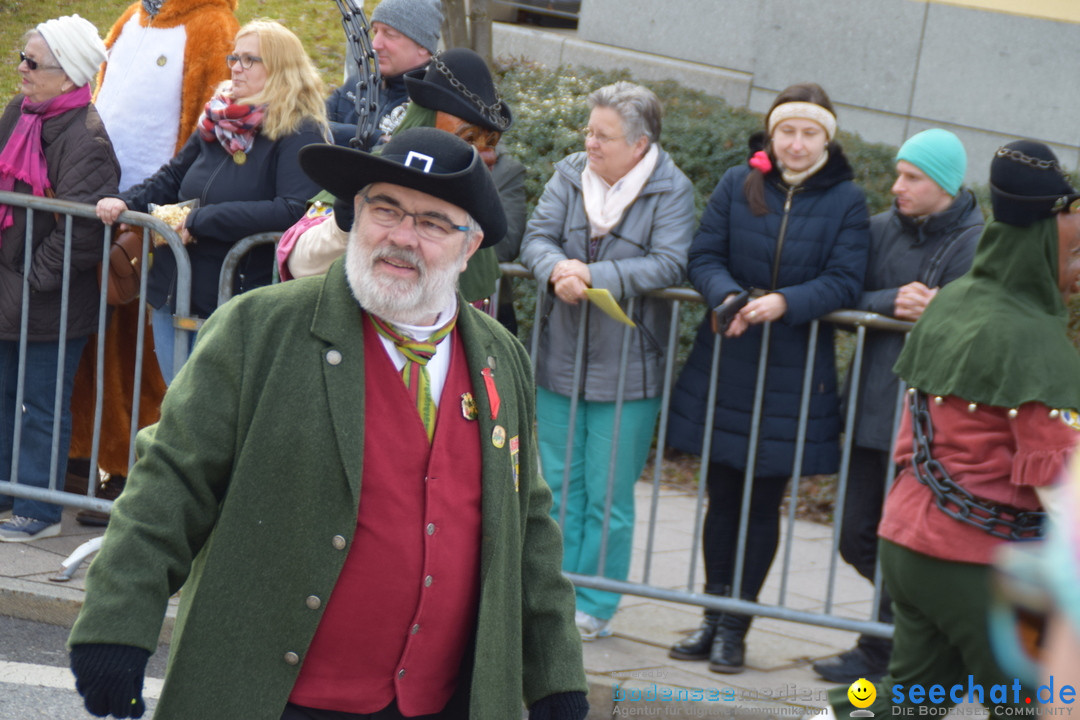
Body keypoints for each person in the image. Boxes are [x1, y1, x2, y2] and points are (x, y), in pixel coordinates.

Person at [68, 127, 589, 720]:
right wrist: (116, 625)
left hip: (443, 701)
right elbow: (168, 484)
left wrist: (555, 677)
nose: (402, 237)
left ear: (469, 247)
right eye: (385, 209)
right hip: (275, 698)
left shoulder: (501, 358)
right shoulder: (257, 330)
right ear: (355, 217)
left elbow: (529, 525)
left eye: (433, 223)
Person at [825, 139, 1080, 718]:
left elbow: (910, 434)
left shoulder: (952, 303)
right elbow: (1063, 492)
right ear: (1046, 247)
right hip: (977, 563)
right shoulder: (1037, 347)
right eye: (1074, 257)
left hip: (907, 543)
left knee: (903, 701)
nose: (1079, 273)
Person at [665, 82, 870, 673]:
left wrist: (786, 301)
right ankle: (709, 616)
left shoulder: (848, 200)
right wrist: (726, 293)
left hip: (792, 371)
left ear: (826, 139)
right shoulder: (738, 183)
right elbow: (704, 255)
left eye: (809, 133)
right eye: (787, 131)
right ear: (772, 134)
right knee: (722, 496)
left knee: (762, 501)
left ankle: (736, 627)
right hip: (728, 357)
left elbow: (845, 279)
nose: (797, 144)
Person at [519, 81, 695, 640]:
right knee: (557, 490)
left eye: (604, 135)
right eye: (588, 131)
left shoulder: (671, 189)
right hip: (559, 356)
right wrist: (558, 269)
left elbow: (669, 263)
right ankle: (552, 594)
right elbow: (536, 237)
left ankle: (595, 604)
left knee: (609, 496)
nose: (590, 143)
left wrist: (596, 275)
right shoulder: (570, 172)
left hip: (629, 367)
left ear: (640, 145)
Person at [813, 128, 983, 684]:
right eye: (898, 173)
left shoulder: (976, 241)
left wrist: (941, 310)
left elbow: (980, 321)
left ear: (945, 185)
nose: (897, 186)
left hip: (929, 424)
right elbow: (842, 291)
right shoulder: (880, 228)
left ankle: (883, 649)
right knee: (856, 535)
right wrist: (891, 302)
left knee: (899, 541)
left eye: (912, 177)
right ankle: (924, 629)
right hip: (868, 407)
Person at [66, 0, 240, 526]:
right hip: (107, 201)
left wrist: (173, 209)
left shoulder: (212, 24)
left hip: (155, 221)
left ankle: (132, 467)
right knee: (91, 336)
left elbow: (205, 131)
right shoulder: (131, 17)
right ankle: (81, 453)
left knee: (142, 350)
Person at [95, 19, 328, 384]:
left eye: (250, 59)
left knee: (212, 419)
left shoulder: (300, 130)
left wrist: (203, 220)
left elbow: (293, 210)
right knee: (177, 409)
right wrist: (124, 202)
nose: (235, 66)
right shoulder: (219, 116)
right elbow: (173, 177)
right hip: (175, 288)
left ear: (282, 68)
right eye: (234, 56)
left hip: (234, 300)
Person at [281, 47, 525, 316]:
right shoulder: (371, 175)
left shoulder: (472, 205)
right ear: (426, 126)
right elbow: (300, 260)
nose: (488, 155)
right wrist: (343, 225)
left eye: (491, 142)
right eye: (468, 138)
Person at [0, 15, 119, 542]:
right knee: (4, 396)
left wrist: (27, 281)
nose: (20, 69)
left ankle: (39, 511)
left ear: (68, 75)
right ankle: (6, 493)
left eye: (32, 63)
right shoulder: (17, 113)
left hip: (47, 298)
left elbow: (81, 234)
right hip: (9, 289)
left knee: (40, 405)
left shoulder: (87, 138)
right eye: (22, 58)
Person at [326, 0, 443, 148]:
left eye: (390, 34)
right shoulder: (355, 87)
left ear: (422, 46)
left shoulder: (434, 105)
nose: (375, 45)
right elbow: (308, 126)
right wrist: (375, 138)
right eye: (375, 32)